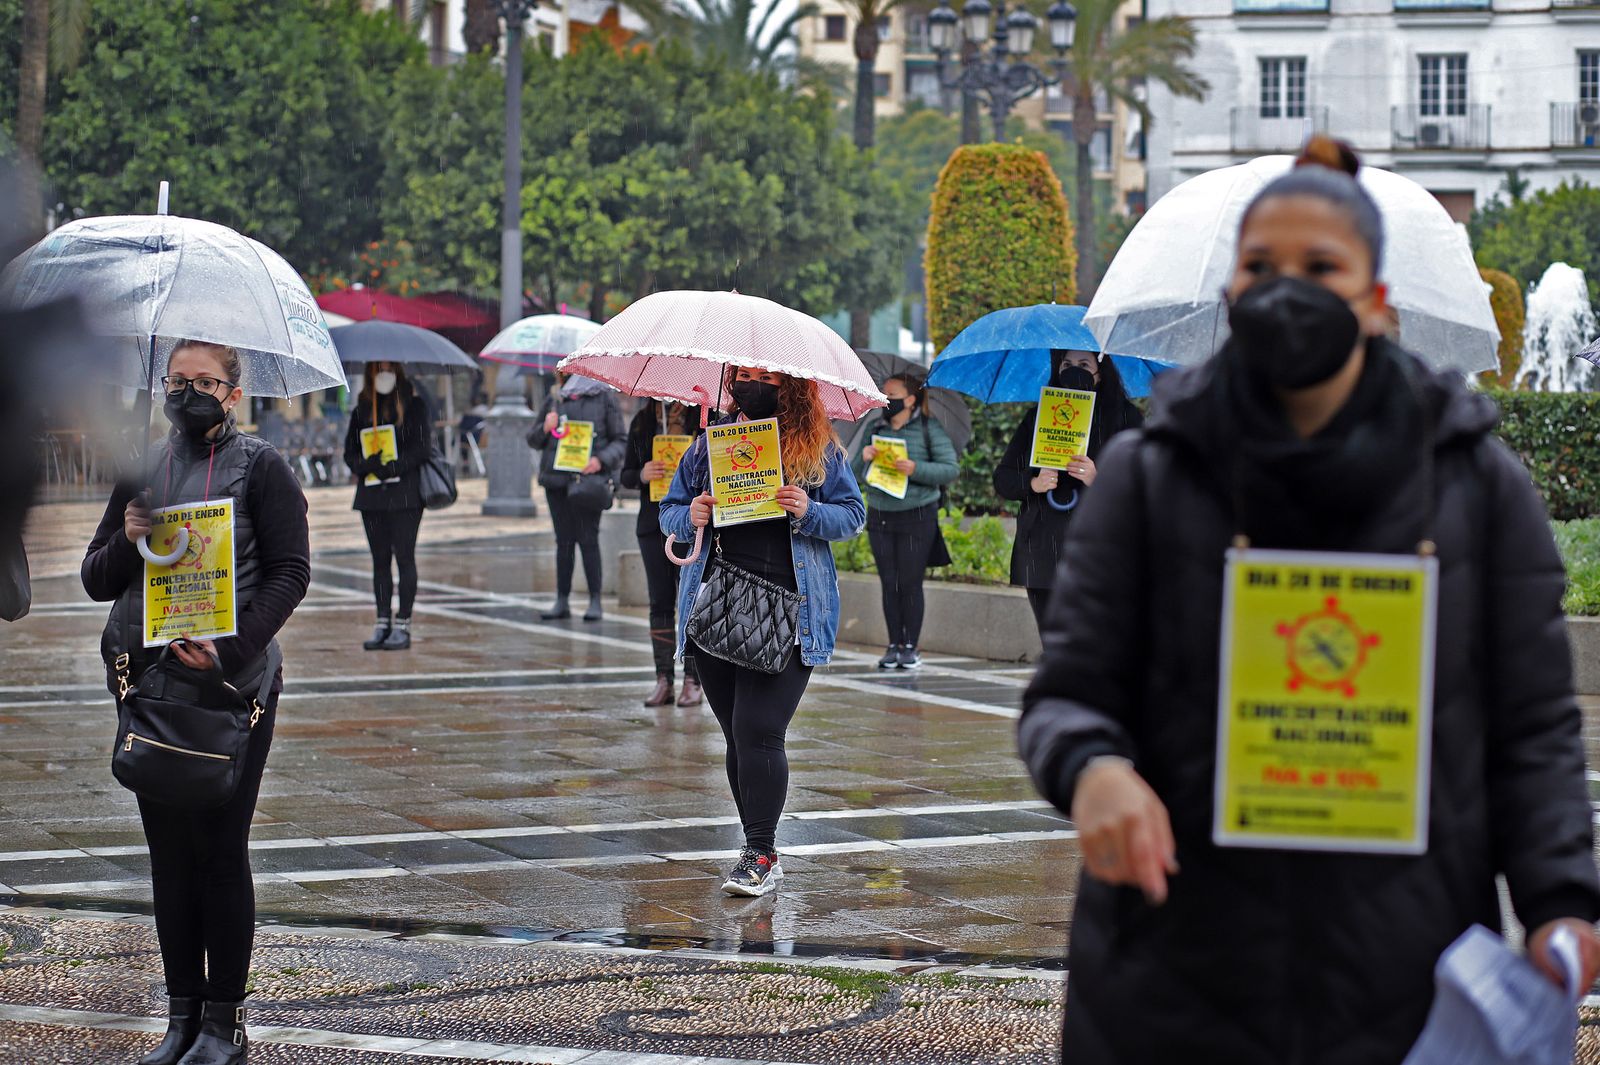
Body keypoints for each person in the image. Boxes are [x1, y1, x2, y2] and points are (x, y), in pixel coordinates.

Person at [1017, 136, 1600, 1064]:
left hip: (1407, 974)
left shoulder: (1480, 491)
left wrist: (1561, 900)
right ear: (1231, 295)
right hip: (1173, 970)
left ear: (1378, 301)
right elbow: (1068, 692)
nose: (1288, 287)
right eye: (1261, 266)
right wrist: (1093, 769)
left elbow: (1531, 726)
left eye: (1321, 266)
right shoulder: (1149, 479)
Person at [82, 340, 310, 1064]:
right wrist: (128, 535)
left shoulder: (263, 468)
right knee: (168, 855)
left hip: (231, 690)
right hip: (152, 687)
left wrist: (234, 647)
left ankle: (224, 1022)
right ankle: (181, 1016)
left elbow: (291, 571)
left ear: (234, 394)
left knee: (219, 849)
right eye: (177, 382)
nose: (189, 394)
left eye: (205, 381)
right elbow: (96, 577)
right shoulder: (143, 468)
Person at [659, 366, 865, 897]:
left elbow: (852, 515)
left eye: (763, 377)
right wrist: (693, 513)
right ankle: (756, 846)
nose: (750, 384)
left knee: (759, 729)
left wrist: (809, 510)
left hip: (792, 608)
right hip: (720, 603)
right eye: (743, 376)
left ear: (788, 384)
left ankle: (760, 852)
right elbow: (670, 511)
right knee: (737, 736)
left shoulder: (819, 450)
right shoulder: (710, 445)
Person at [993, 349, 1143, 634]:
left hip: (1098, 546)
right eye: (1067, 364)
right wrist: (1033, 483)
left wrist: (1099, 480)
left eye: (1084, 365)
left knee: (1093, 639)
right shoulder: (1037, 416)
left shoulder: (1125, 417)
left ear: (1101, 372)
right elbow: (1003, 478)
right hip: (1041, 543)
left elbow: (1142, 484)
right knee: (1052, 638)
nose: (1074, 371)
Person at [848, 373, 959, 669]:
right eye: (883, 396)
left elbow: (949, 469)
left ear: (910, 399)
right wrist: (865, 457)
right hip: (881, 514)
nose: (886, 402)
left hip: (917, 514)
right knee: (889, 582)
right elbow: (853, 475)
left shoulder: (928, 429)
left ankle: (911, 645)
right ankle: (893, 643)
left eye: (892, 396)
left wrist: (916, 468)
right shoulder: (875, 427)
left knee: (909, 582)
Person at [619, 399, 704, 707]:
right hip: (652, 523)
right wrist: (642, 474)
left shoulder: (703, 419)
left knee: (691, 600)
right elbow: (625, 475)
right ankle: (663, 678)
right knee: (660, 601)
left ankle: (693, 679)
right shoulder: (642, 422)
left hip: (693, 523)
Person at [343, 361, 431, 651]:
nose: (384, 373)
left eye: (389, 367)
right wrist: (365, 464)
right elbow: (349, 452)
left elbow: (422, 448)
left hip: (405, 496)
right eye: (378, 368)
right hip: (372, 498)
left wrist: (394, 466)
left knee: (404, 557)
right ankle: (382, 621)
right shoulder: (363, 409)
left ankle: (403, 622)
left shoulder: (414, 405)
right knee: (380, 561)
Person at [529, 372, 625, 621]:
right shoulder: (554, 399)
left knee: (588, 539)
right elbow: (533, 439)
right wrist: (545, 427)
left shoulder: (604, 397)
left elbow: (619, 441)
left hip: (587, 481)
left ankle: (595, 600)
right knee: (564, 541)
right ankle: (562, 600)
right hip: (556, 482)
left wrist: (599, 460)